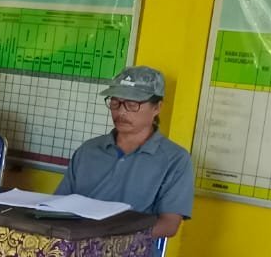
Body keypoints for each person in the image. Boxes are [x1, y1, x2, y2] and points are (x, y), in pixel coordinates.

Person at [56, 66, 193, 238]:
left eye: (132, 104)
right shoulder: (88, 150)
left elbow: (168, 225)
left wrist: (110, 239)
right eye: (115, 102)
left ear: (157, 107)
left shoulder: (175, 159)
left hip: (131, 249)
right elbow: (59, 205)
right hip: (77, 243)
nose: (121, 112)